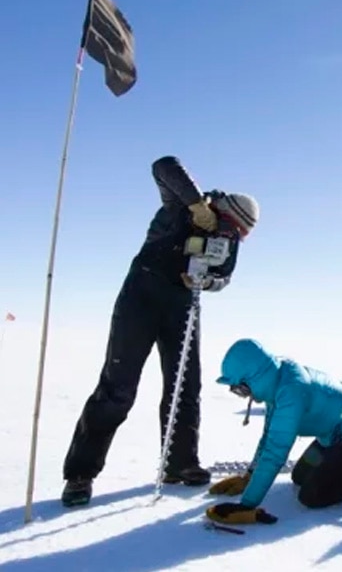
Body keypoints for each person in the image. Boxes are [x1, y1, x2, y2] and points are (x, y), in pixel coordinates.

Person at [61, 156, 259, 507]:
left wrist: (208, 280)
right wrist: (197, 204)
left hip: (183, 302)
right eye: (227, 226)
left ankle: (180, 464)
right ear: (220, 210)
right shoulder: (181, 206)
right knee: (117, 389)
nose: (229, 236)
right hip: (142, 295)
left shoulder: (229, 240)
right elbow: (164, 165)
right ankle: (81, 474)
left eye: (238, 235)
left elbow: (224, 277)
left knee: (185, 386)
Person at [204, 338, 342, 526]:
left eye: (240, 389)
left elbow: (276, 451)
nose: (242, 395)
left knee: (313, 496)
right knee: (300, 476)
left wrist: (247, 505)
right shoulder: (276, 383)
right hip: (332, 436)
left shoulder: (291, 392)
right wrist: (249, 476)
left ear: (255, 378)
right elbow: (268, 437)